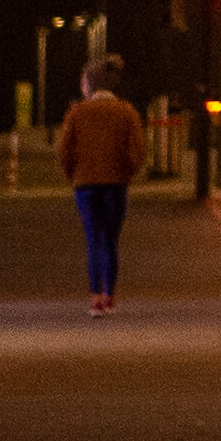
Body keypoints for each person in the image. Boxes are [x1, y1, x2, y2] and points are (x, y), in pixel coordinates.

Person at [55, 57, 145, 315]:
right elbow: (136, 149)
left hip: (85, 185)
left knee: (93, 240)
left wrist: (73, 174)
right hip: (115, 183)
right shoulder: (126, 112)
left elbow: (64, 150)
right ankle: (109, 296)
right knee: (110, 241)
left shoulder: (77, 113)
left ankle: (95, 297)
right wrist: (127, 172)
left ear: (89, 85)